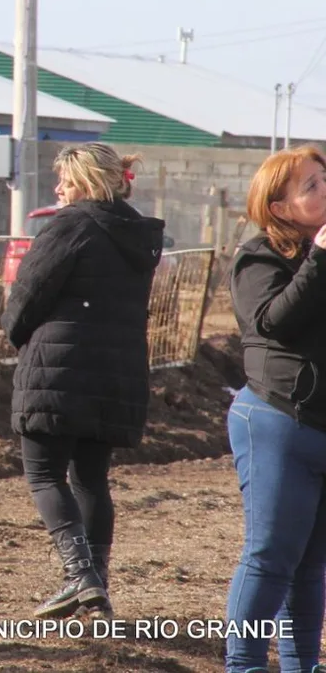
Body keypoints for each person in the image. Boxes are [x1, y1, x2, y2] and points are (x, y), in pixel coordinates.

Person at [2, 142, 164, 622]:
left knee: (44, 473)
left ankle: (80, 577)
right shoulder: (140, 235)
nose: (58, 190)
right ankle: (98, 590)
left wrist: (15, 330)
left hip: (59, 367)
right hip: (117, 373)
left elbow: (28, 293)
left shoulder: (71, 225)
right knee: (92, 478)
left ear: (88, 183)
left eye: (65, 182)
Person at [224, 145, 326, 673]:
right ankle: (243, 665)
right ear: (281, 207)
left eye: (323, 177)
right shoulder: (259, 255)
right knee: (271, 556)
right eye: (310, 186)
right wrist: (321, 257)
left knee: (312, 566)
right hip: (278, 419)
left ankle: (302, 665)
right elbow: (273, 322)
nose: (325, 188)